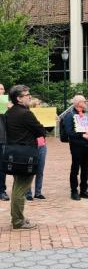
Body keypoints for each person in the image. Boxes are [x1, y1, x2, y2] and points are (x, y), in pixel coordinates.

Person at [6, 85, 46, 230]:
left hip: (14, 154)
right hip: (26, 155)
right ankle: (17, 221)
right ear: (18, 98)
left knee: (18, 186)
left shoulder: (9, 112)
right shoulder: (25, 113)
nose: (29, 96)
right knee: (21, 189)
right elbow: (40, 131)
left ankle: (17, 217)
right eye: (26, 94)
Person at [64, 95, 88, 201]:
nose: (86, 103)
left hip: (87, 145)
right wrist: (82, 135)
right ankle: (74, 191)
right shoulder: (70, 115)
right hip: (76, 145)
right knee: (75, 168)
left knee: (85, 168)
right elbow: (69, 132)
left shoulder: (87, 114)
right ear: (78, 103)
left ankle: (83, 190)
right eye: (84, 101)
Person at [25, 98, 47, 200]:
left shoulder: (43, 115)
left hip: (42, 145)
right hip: (31, 145)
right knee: (29, 169)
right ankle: (28, 193)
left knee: (40, 170)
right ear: (33, 106)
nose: (40, 106)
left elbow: (48, 129)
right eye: (38, 104)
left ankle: (38, 192)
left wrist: (53, 120)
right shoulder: (28, 115)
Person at [0, 83, 10, 201]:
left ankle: (1, 190)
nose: (0, 91)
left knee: (2, 166)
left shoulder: (7, 105)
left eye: (2, 89)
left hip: (2, 138)